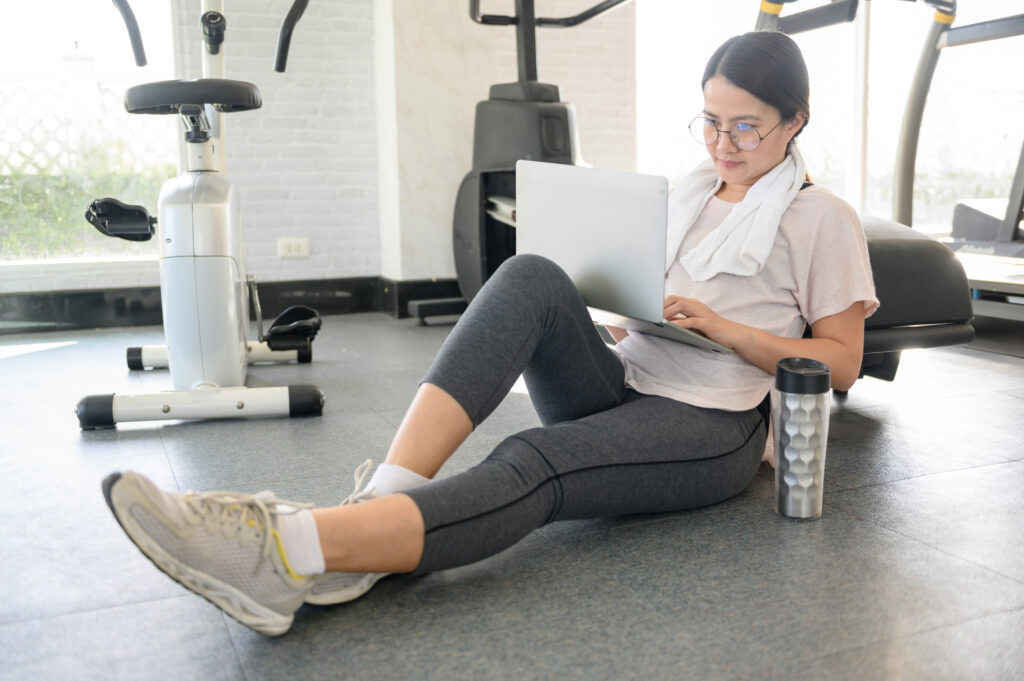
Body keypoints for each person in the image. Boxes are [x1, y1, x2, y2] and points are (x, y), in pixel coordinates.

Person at [101, 31, 879, 637]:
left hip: (712, 422)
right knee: (530, 273)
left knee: (534, 456)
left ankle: (291, 551)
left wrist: (728, 330)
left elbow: (841, 363)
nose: (722, 144)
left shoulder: (822, 219)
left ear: (795, 122)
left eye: (745, 128)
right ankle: (384, 498)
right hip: (626, 374)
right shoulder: (688, 192)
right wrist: (624, 302)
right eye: (710, 122)